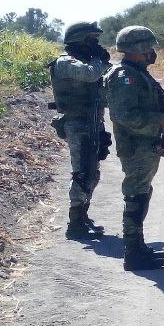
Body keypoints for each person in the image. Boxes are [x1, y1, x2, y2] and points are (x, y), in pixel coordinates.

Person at [104, 26, 164, 271]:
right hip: (136, 146)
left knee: (141, 192)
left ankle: (137, 247)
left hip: (145, 145)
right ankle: (133, 253)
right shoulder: (125, 76)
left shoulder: (137, 72)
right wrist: (158, 120)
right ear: (138, 49)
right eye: (148, 48)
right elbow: (125, 115)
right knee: (135, 194)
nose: (151, 52)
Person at [51, 21, 112, 239]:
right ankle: (74, 223)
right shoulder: (65, 62)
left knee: (93, 172)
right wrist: (99, 60)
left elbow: (103, 78)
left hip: (93, 122)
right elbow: (90, 75)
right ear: (78, 40)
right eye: (91, 40)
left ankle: (82, 214)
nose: (95, 44)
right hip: (77, 124)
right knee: (82, 173)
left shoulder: (88, 61)